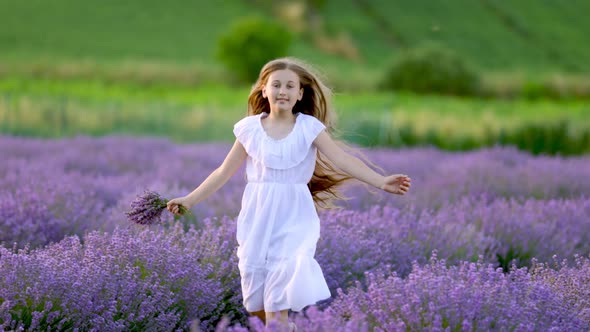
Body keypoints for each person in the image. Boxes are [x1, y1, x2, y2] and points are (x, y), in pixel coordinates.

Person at [167, 57, 411, 331]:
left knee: (278, 300)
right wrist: (189, 199)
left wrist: (380, 181)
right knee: (257, 303)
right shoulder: (249, 129)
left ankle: (281, 324)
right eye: (277, 85)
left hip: (295, 218)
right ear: (264, 90)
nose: (283, 91)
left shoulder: (309, 128)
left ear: (300, 94)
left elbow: (343, 160)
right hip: (257, 219)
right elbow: (223, 172)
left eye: (290, 86)